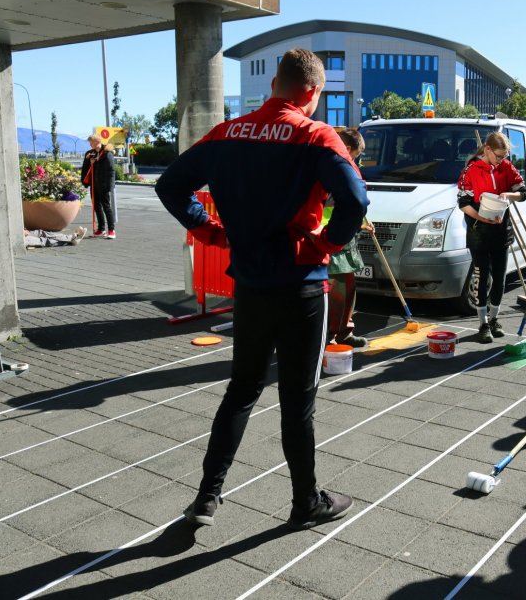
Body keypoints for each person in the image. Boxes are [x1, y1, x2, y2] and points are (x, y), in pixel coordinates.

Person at [155, 48, 369, 528]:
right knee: (298, 401)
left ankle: (206, 498)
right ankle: (304, 503)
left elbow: (170, 184)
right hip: (301, 288)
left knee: (241, 390)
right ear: (312, 92)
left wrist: (210, 229)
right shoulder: (316, 134)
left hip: (248, 285)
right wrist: (327, 243)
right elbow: (356, 199)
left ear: (275, 83)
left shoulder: (227, 132)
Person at [457, 131, 526, 343]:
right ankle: (482, 323)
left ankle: (495, 319)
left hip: (501, 230)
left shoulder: (506, 167)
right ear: (487, 150)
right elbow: (463, 204)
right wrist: (482, 217)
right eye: (498, 156)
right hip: (479, 231)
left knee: (500, 277)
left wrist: (509, 195)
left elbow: (523, 192)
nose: (501, 160)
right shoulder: (470, 170)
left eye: (504, 156)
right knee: (481, 276)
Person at [326, 128, 374, 348]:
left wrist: (364, 221)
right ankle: (327, 334)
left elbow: (355, 201)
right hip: (330, 235)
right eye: (356, 155)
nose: (357, 160)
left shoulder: (346, 166)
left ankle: (344, 331)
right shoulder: (333, 167)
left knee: (347, 287)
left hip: (345, 235)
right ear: (347, 149)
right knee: (334, 290)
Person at [81, 135, 116, 239]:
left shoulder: (107, 152)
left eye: (91, 142)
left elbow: (110, 170)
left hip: (103, 184)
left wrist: (110, 185)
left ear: (97, 141)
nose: (90, 144)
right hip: (94, 184)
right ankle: (101, 229)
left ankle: (111, 230)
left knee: (106, 206)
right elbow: (86, 168)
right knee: (96, 207)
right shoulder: (90, 153)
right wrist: (89, 160)